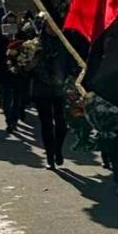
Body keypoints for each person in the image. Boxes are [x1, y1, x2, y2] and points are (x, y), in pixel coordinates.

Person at [31, 17, 72, 169]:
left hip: (60, 89)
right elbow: (30, 66)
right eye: (49, 26)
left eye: (55, 26)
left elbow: (70, 62)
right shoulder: (36, 43)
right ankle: (50, 157)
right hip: (41, 89)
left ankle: (58, 150)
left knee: (61, 123)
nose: (52, 29)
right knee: (46, 123)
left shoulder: (64, 43)